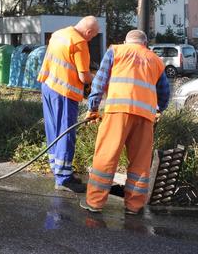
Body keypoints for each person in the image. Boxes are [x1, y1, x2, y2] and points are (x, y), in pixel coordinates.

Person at [80, 29, 170, 215]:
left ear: (126, 41)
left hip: (117, 112)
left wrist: (93, 108)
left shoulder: (116, 51)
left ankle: (95, 203)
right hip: (145, 116)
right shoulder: (155, 60)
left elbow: (99, 81)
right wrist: (160, 108)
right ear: (145, 44)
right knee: (140, 162)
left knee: (106, 156)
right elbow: (164, 93)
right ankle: (134, 206)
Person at [37, 16, 100, 192]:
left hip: (48, 87)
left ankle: (58, 171)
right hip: (65, 93)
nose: (92, 39)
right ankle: (64, 178)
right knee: (65, 133)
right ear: (88, 32)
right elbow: (84, 77)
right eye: (93, 36)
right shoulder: (80, 43)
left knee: (54, 132)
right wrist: (97, 78)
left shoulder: (58, 34)